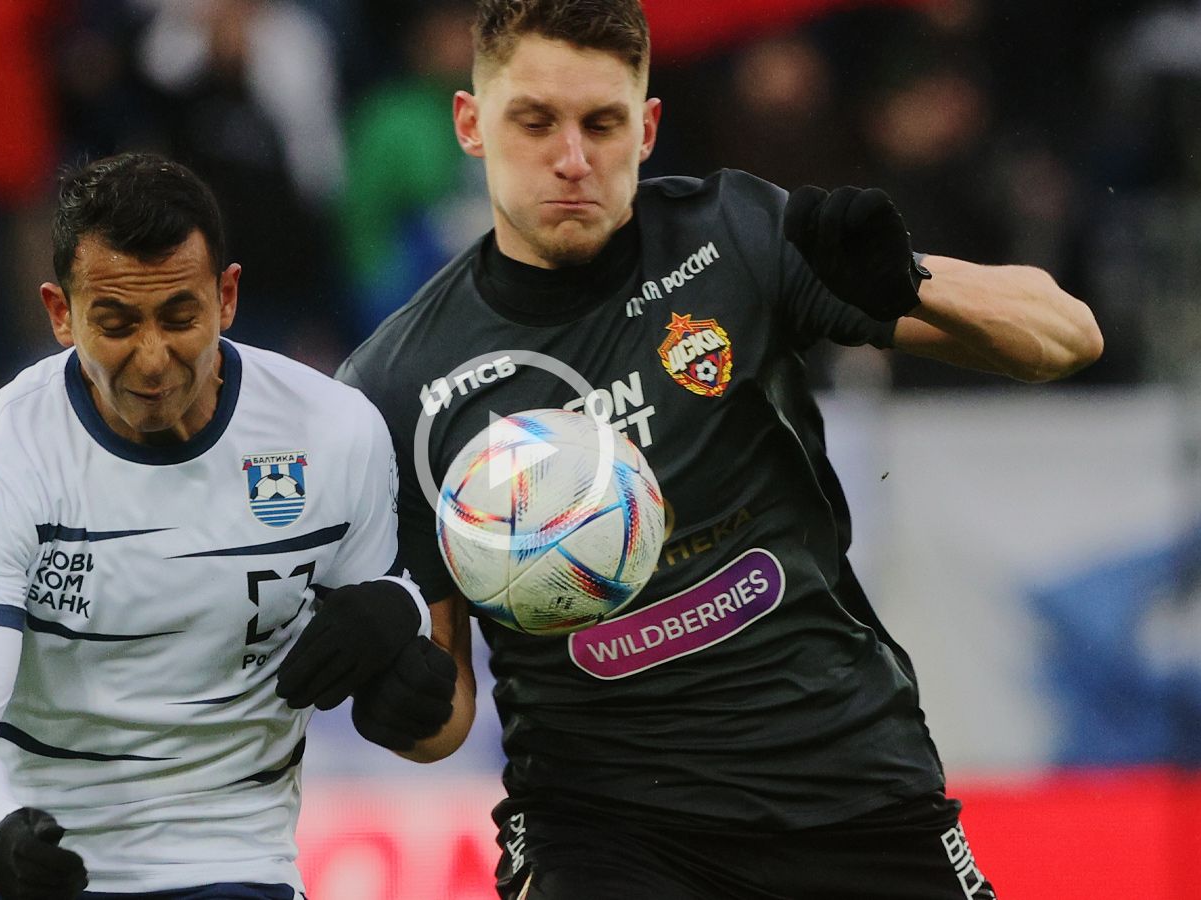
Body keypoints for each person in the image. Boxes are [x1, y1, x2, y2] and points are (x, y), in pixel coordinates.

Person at [336, 2, 1104, 898]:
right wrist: (400, 699)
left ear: (648, 128)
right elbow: (442, 720)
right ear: (471, 123)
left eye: (603, 124)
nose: (572, 158)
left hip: (850, 782)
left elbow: (1067, 338)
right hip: (604, 830)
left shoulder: (731, 236)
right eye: (535, 122)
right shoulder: (398, 381)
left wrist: (909, 279)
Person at [0, 152, 454, 900]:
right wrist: (0, 830)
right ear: (60, 313)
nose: (154, 359)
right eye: (117, 324)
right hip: (7, 860)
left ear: (227, 297)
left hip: (226, 862)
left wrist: (402, 626)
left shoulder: (334, 433)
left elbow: (397, 658)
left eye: (179, 317)